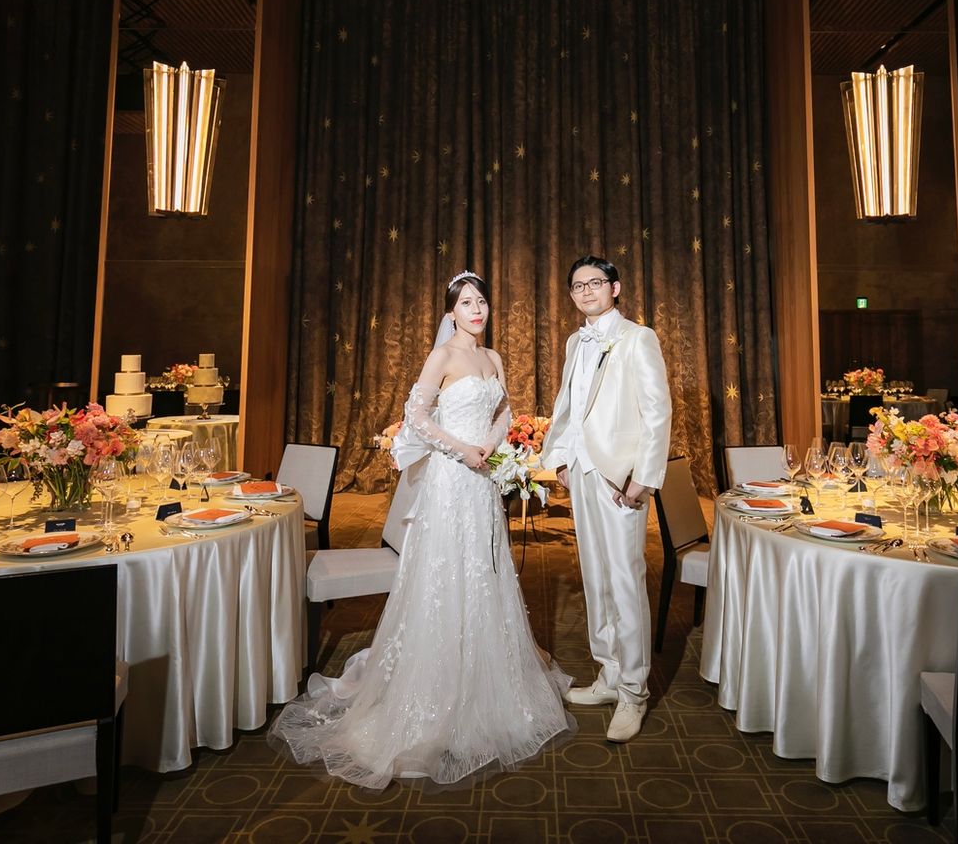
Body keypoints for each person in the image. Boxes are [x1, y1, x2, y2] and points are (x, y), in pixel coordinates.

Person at [270, 270, 574, 788]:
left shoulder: (493, 358)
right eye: (466, 303)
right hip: (451, 482)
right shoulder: (444, 357)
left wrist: (491, 446)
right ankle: (435, 687)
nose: (476, 310)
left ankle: (486, 675)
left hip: (482, 480)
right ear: (451, 312)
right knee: (447, 573)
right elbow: (416, 415)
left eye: (481, 301)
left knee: (485, 569)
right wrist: (462, 449)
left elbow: (504, 411)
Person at [542, 254, 672, 743]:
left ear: (614, 288)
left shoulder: (638, 338)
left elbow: (658, 412)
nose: (586, 291)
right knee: (595, 577)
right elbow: (568, 405)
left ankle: (635, 692)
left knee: (624, 580)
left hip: (620, 477)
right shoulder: (575, 341)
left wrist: (644, 478)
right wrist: (560, 458)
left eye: (595, 282)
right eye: (578, 286)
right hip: (581, 471)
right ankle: (609, 674)